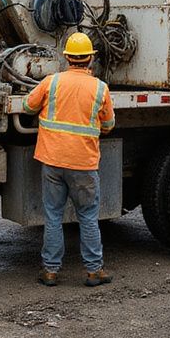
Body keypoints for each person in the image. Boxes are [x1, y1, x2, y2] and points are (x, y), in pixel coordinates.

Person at [21, 32, 116, 288]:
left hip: (52, 161)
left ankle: (50, 272)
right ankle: (94, 271)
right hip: (84, 164)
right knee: (87, 217)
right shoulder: (100, 88)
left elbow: (28, 106)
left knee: (53, 215)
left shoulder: (52, 82)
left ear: (66, 59)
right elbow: (108, 125)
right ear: (90, 60)